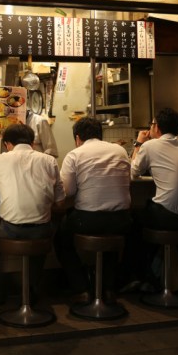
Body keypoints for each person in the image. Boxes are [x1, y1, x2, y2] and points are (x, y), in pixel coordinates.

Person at [0, 123, 66, 305]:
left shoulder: (1, 159)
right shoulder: (49, 161)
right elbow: (60, 200)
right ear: (32, 142)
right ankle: (32, 289)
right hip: (42, 230)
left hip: (9, 229)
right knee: (44, 231)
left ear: (7, 144)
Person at [122, 107, 178, 291]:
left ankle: (137, 277)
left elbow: (133, 172)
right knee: (166, 219)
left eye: (152, 123)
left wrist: (138, 143)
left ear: (156, 127)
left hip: (168, 216)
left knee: (133, 221)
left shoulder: (150, 146)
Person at [54, 117, 132, 303]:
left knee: (60, 239)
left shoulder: (75, 155)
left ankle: (81, 288)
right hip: (122, 219)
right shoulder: (120, 151)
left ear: (78, 137)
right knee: (111, 241)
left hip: (88, 220)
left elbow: (68, 191)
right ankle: (108, 288)